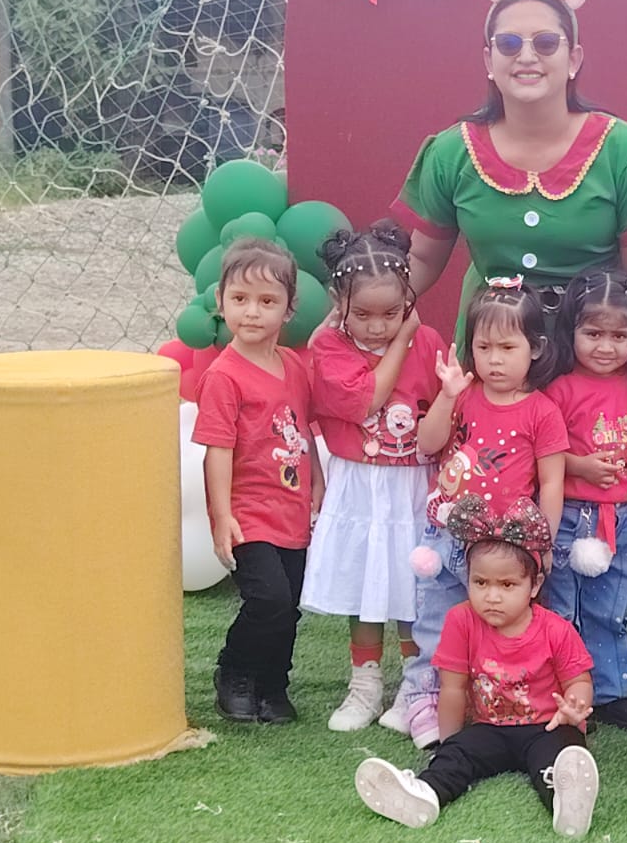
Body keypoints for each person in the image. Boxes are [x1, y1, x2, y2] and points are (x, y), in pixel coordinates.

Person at [390, 0, 627, 333]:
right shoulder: (452, 152)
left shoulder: (625, 151)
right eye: (509, 44)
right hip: (491, 355)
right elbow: (422, 260)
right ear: (489, 60)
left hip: (591, 356)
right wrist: (355, 312)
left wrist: (590, 350)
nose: (526, 56)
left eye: (545, 43)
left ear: (573, 58)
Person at [354, 494, 601, 839]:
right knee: (457, 756)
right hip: (489, 729)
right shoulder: (461, 621)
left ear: (534, 585)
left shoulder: (556, 629)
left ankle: (564, 800)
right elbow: (452, 688)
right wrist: (450, 744)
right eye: (480, 583)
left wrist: (574, 707)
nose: (492, 596)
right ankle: (425, 794)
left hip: (547, 725)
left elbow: (579, 680)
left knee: (562, 754)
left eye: (508, 585)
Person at [390, 279, 568, 749]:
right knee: (436, 618)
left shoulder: (542, 411)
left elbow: (552, 482)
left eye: (507, 347)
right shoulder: (464, 395)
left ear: (536, 348)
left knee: (499, 620)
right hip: (447, 532)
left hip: (505, 542)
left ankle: (488, 698)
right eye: (483, 347)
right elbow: (427, 445)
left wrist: (543, 543)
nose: (494, 360)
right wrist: (447, 395)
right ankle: (423, 697)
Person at [303, 220, 445, 732]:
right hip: (359, 483)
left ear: (408, 297)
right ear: (337, 302)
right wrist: (405, 335)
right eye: (362, 314)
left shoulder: (429, 342)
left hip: (412, 484)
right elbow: (366, 400)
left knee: (412, 583)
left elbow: (444, 409)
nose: (378, 327)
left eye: (391, 313)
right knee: (364, 583)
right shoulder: (329, 345)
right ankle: (364, 683)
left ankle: (414, 685)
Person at [193, 238, 325, 725]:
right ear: (220, 301)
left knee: (289, 604)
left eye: (267, 301)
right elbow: (217, 449)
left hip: (291, 509)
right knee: (267, 598)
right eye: (240, 299)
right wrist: (222, 515)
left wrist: (317, 481)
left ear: (289, 308)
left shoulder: (293, 366)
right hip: (249, 514)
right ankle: (235, 672)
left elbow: (302, 430)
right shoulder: (224, 377)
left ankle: (273, 685)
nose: (252, 312)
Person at [540, 267, 627, 731]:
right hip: (571, 515)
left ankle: (612, 692)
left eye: (619, 336)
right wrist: (580, 466)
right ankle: (560, 691)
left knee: (612, 608)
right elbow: (542, 451)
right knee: (563, 607)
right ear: (570, 331)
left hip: (623, 518)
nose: (606, 347)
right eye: (593, 334)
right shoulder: (559, 389)